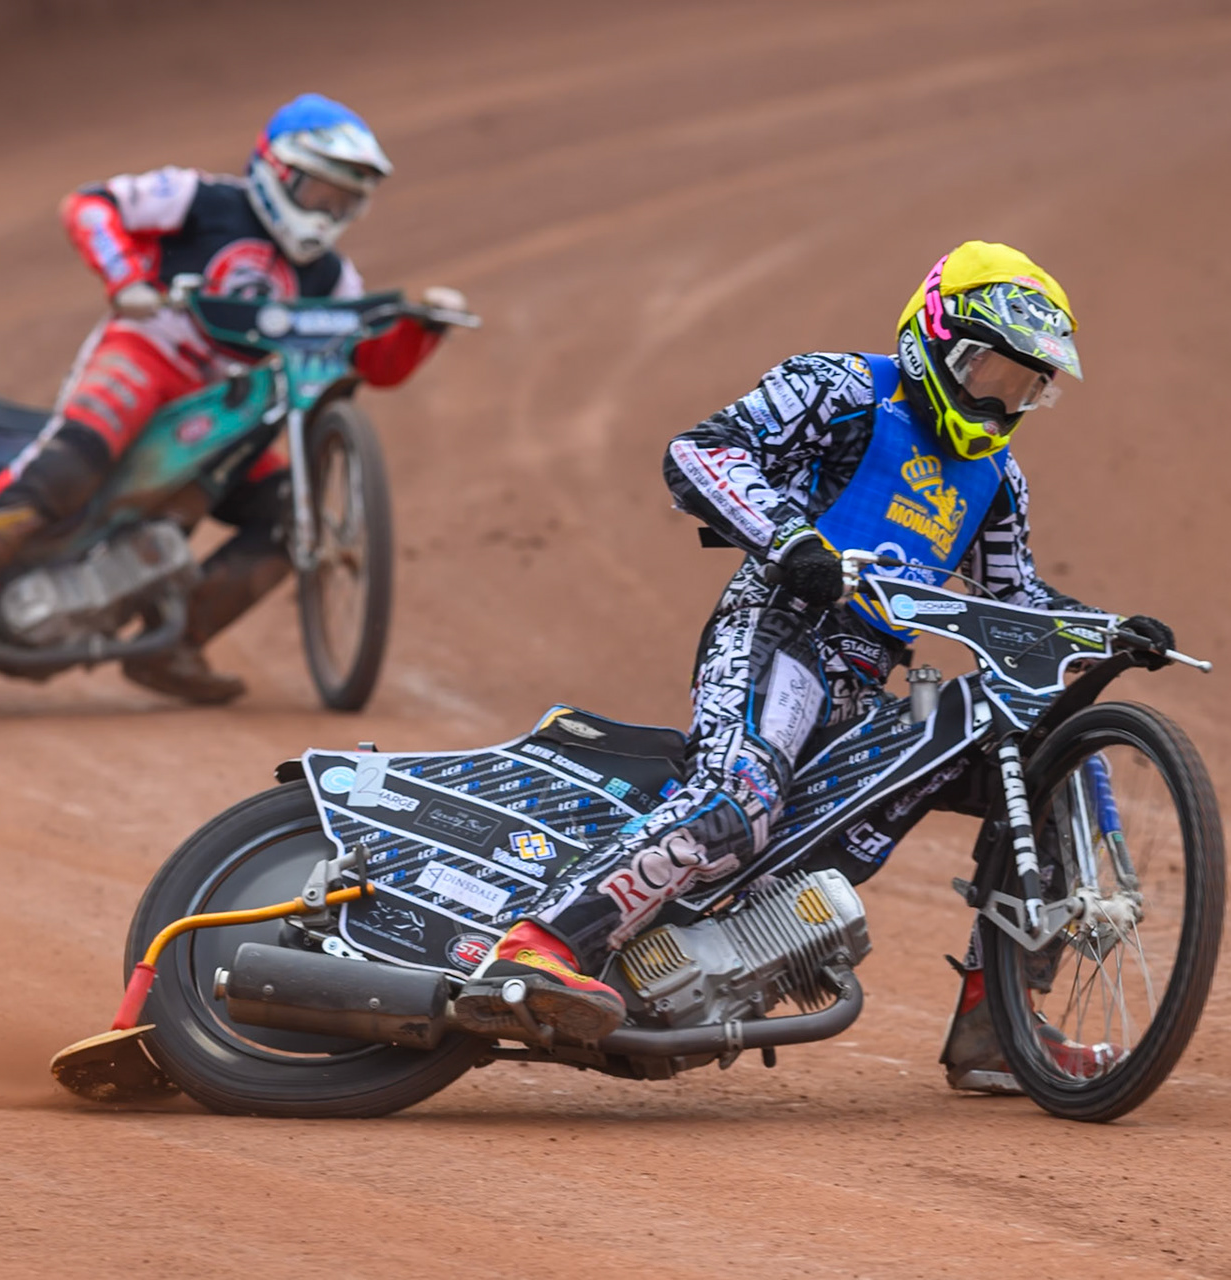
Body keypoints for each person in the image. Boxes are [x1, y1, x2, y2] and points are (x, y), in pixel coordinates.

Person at [453, 241, 1176, 1083]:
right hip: (779, 630)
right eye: (989, 372)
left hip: (868, 686)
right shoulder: (840, 386)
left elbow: (1014, 604)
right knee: (739, 801)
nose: (998, 401)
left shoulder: (1000, 481)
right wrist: (792, 537)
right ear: (934, 339)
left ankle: (995, 1025)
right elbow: (702, 452)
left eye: (1022, 387)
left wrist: (1104, 630)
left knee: (1043, 770)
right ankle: (534, 951)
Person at [0, 93, 456, 703]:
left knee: (288, 514)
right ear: (280, 172)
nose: (328, 212)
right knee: (73, 461)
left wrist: (425, 327)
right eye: (320, 193)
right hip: (149, 354)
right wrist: (126, 279)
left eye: (344, 201)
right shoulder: (202, 197)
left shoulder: (333, 278)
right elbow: (89, 205)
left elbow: (369, 361)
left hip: (224, 412)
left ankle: (174, 645)